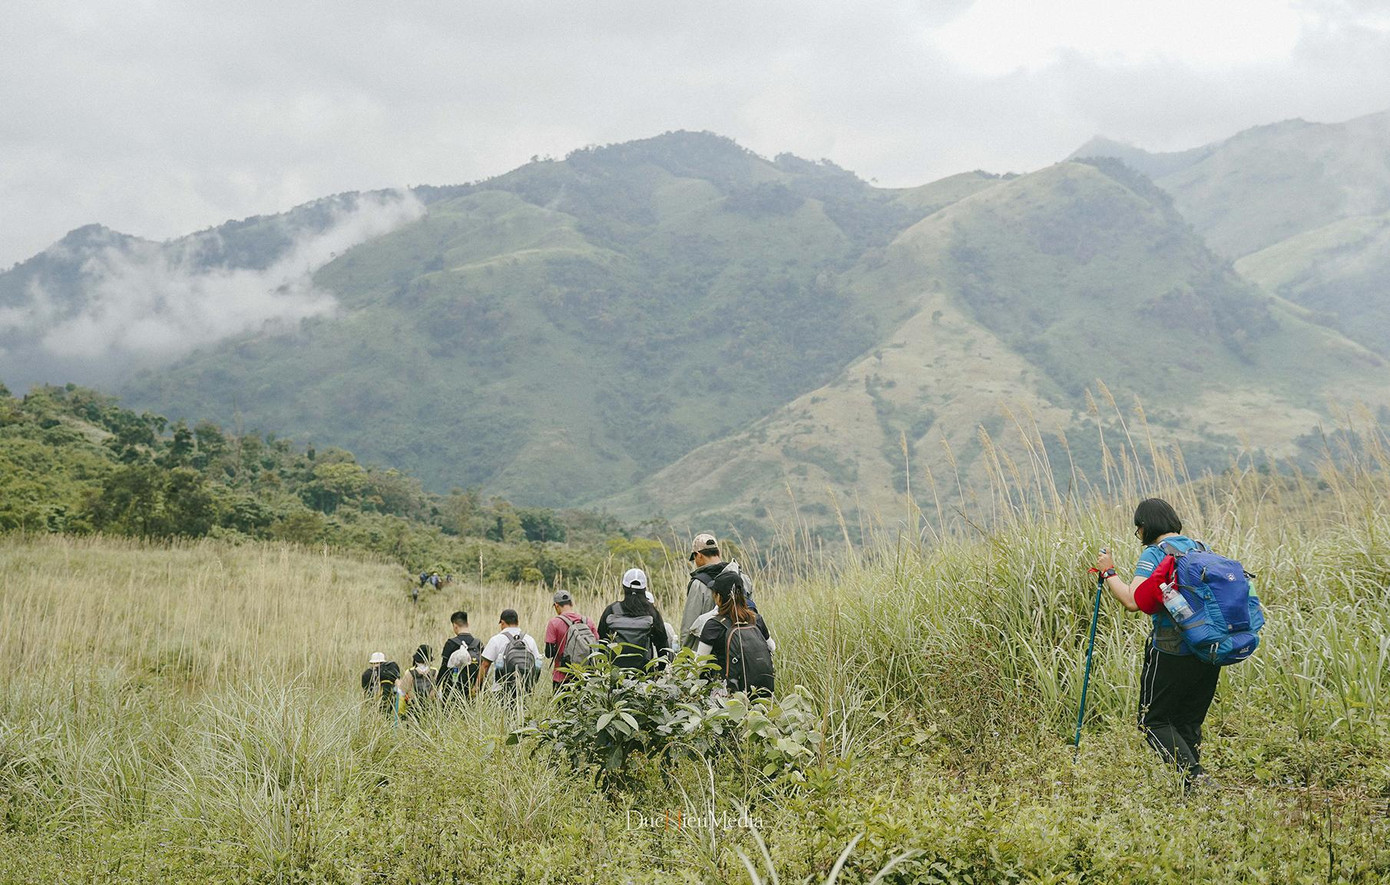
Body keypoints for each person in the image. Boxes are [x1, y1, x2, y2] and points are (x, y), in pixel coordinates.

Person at [1094, 497, 1221, 789]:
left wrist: (1109, 571)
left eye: (1137, 529)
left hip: (1171, 650)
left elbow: (1132, 601)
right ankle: (1193, 793)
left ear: (1144, 527)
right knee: (1188, 721)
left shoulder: (1155, 553)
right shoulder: (1202, 548)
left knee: (1153, 722)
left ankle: (1197, 779)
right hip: (1209, 648)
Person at [696, 569, 775, 698]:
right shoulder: (756, 619)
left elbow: (699, 664)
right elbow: (772, 647)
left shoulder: (713, 625)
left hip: (725, 693)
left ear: (719, 597)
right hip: (757, 690)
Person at [678, 532, 754, 649]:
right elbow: (751, 611)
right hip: (743, 647)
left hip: (710, 651)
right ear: (719, 552)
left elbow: (689, 624)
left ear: (698, 555)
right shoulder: (743, 577)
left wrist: (683, 652)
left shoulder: (698, 584)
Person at [598, 568, 672, 670]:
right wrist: (660, 670)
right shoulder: (652, 612)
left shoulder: (611, 610)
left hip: (615, 673)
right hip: (643, 673)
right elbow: (662, 645)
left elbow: (601, 641)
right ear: (644, 589)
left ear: (624, 587)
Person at [476, 609, 543, 696]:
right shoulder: (530, 640)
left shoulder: (496, 640)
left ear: (502, 622)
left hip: (500, 690)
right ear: (517, 622)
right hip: (525, 690)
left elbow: (485, 665)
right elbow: (537, 666)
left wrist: (477, 687)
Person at [544, 590, 598, 692]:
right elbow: (597, 646)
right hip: (585, 677)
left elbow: (549, 653)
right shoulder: (588, 621)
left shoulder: (554, 623)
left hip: (562, 677)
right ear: (571, 603)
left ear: (556, 605)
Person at [439, 611, 483, 700]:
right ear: (468, 624)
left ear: (455, 626)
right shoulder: (478, 644)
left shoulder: (451, 643)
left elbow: (444, 667)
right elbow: (483, 667)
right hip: (472, 690)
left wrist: (436, 685)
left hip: (452, 690)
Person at [397, 644, 438, 714]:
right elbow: (439, 693)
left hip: (413, 708)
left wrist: (400, 713)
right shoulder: (435, 672)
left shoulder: (409, 672)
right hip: (431, 709)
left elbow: (402, 693)